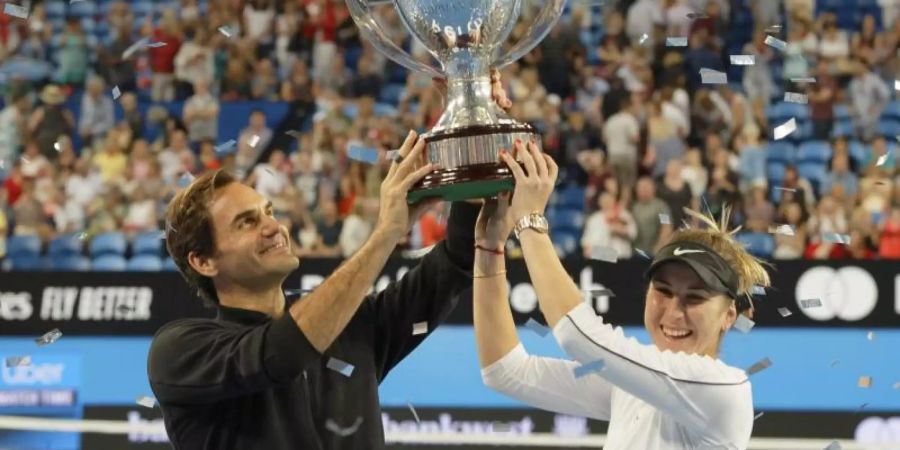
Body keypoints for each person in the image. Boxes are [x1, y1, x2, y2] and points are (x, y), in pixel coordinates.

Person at [148, 75, 512, 449]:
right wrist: (386, 232)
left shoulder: (355, 328)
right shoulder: (180, 351)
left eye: (269, 211)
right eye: (247, 222)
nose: (274, 227)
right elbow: (285, 353)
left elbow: (453, 263)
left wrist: (473, 126)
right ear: (204, 261)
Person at [473, 140, 770, 449]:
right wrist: (489, 248)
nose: (673, 311)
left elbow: (581, 338)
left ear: (729, 316)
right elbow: (505, 371)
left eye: (694, 298)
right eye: (663, 291)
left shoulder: (722, 389)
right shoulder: (631, 385)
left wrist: (530, 221)